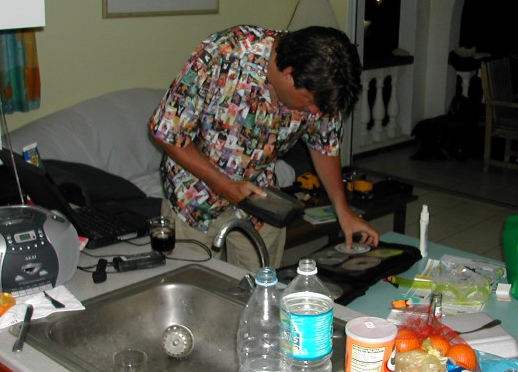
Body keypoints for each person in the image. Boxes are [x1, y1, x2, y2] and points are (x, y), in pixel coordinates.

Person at [149, 25, 378, 269]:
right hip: (193, 200)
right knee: (194, 294)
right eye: (310, 103)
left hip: (259, 201)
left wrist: (343, 210)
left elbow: (324, 144)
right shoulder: (223, 53)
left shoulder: (322, 86)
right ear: (288, 74)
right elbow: (166, 132)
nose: (316, 113)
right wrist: (225, 186)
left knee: (261, 290)